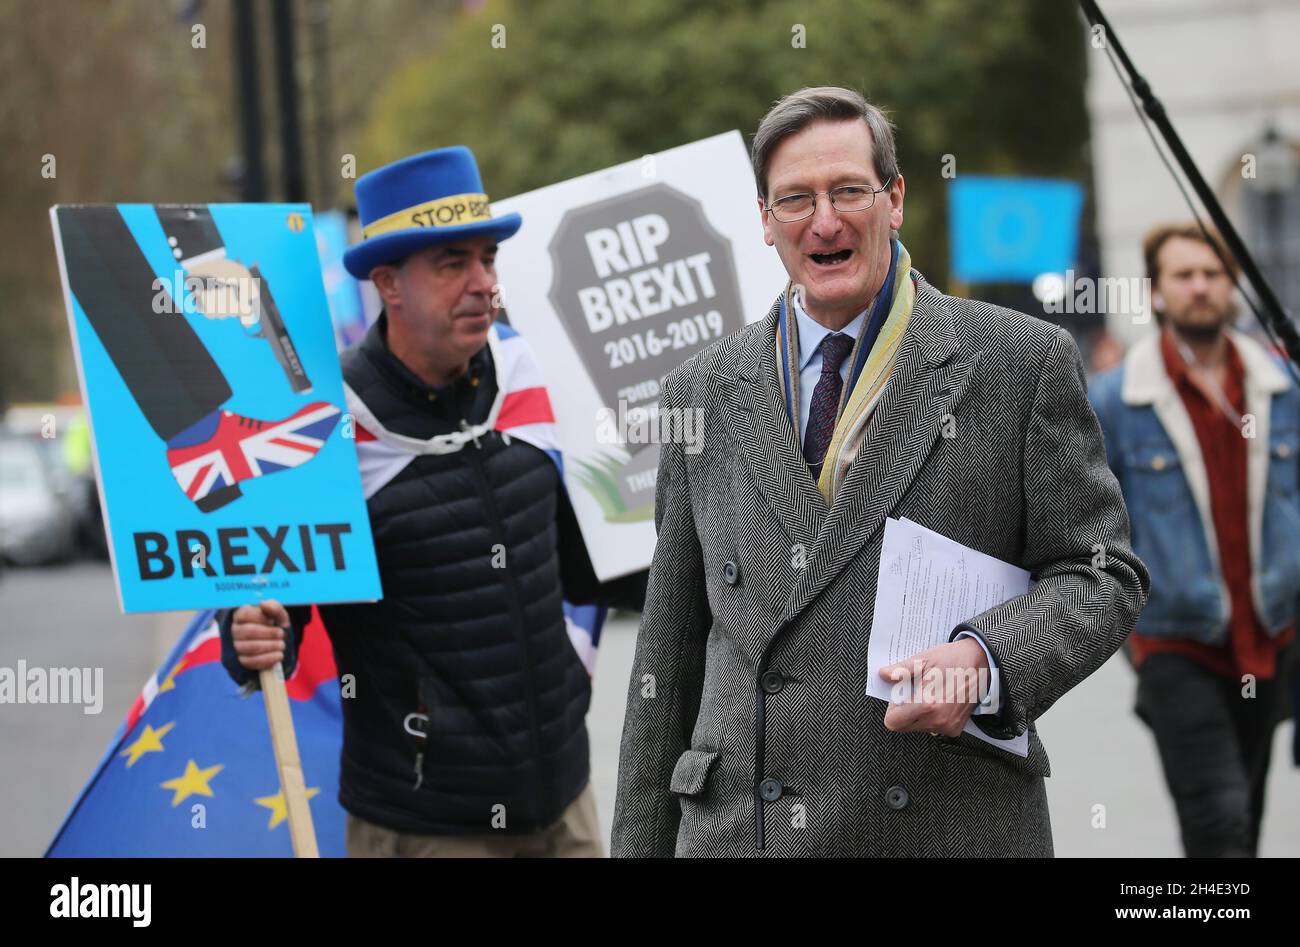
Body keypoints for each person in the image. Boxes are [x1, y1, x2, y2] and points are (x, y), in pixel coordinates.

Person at [610, 86, 1149, 857]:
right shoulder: (698, 391)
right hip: (744, 832)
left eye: (848, 191)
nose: (824, 221)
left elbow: (1101, 574)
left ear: (893, 200)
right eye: (796, 199)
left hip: (941, 823)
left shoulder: (1020, 362)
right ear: (765, 220)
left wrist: (987, 659)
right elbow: (665, 656)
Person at [220, 146, 645, 857]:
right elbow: (272, 614)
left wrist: (701, 559)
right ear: (388, 282)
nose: (483, 284)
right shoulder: (326, 425)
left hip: (564, 803)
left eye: (488, 258)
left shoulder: (529, 371)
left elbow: (581, 566)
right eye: (453, 264)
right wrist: (248, 636)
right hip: (423, 827)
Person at [1089, 222, 1297, 857]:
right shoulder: (1117, 401)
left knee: (1248, 810)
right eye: (1184, 276)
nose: (1200, 288)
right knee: (1218, 819)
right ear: (1156, 293)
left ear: (1232, 285)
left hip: (1271, 635)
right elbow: (1095, 521)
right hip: (1175, 641)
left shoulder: (1281, 388)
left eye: (1212, 274)